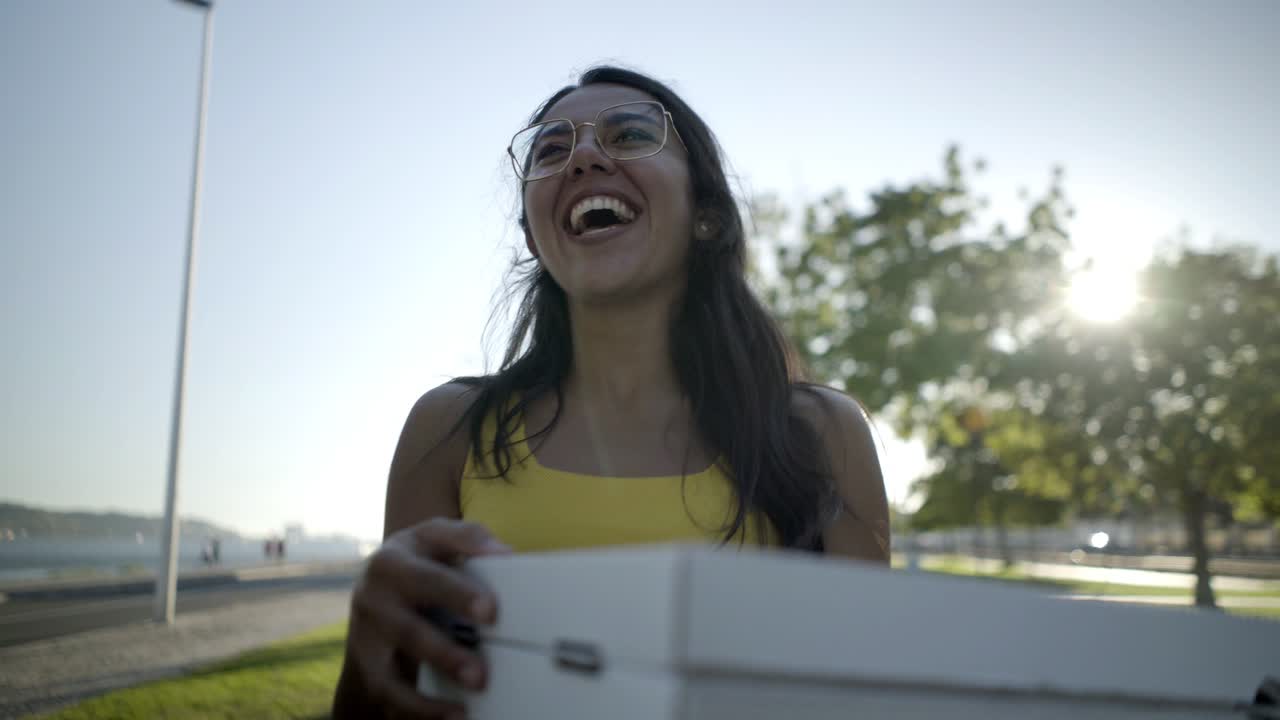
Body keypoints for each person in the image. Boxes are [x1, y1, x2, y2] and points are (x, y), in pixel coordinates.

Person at [333, 65, 890, 719]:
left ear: (705, 214)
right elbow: (386, 698)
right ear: (533, 235)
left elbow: (877, 698)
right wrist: (366, 657)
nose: (583, 157)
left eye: (629, 135)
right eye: (551, 150)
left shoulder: (822, 431)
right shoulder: (447, 428)